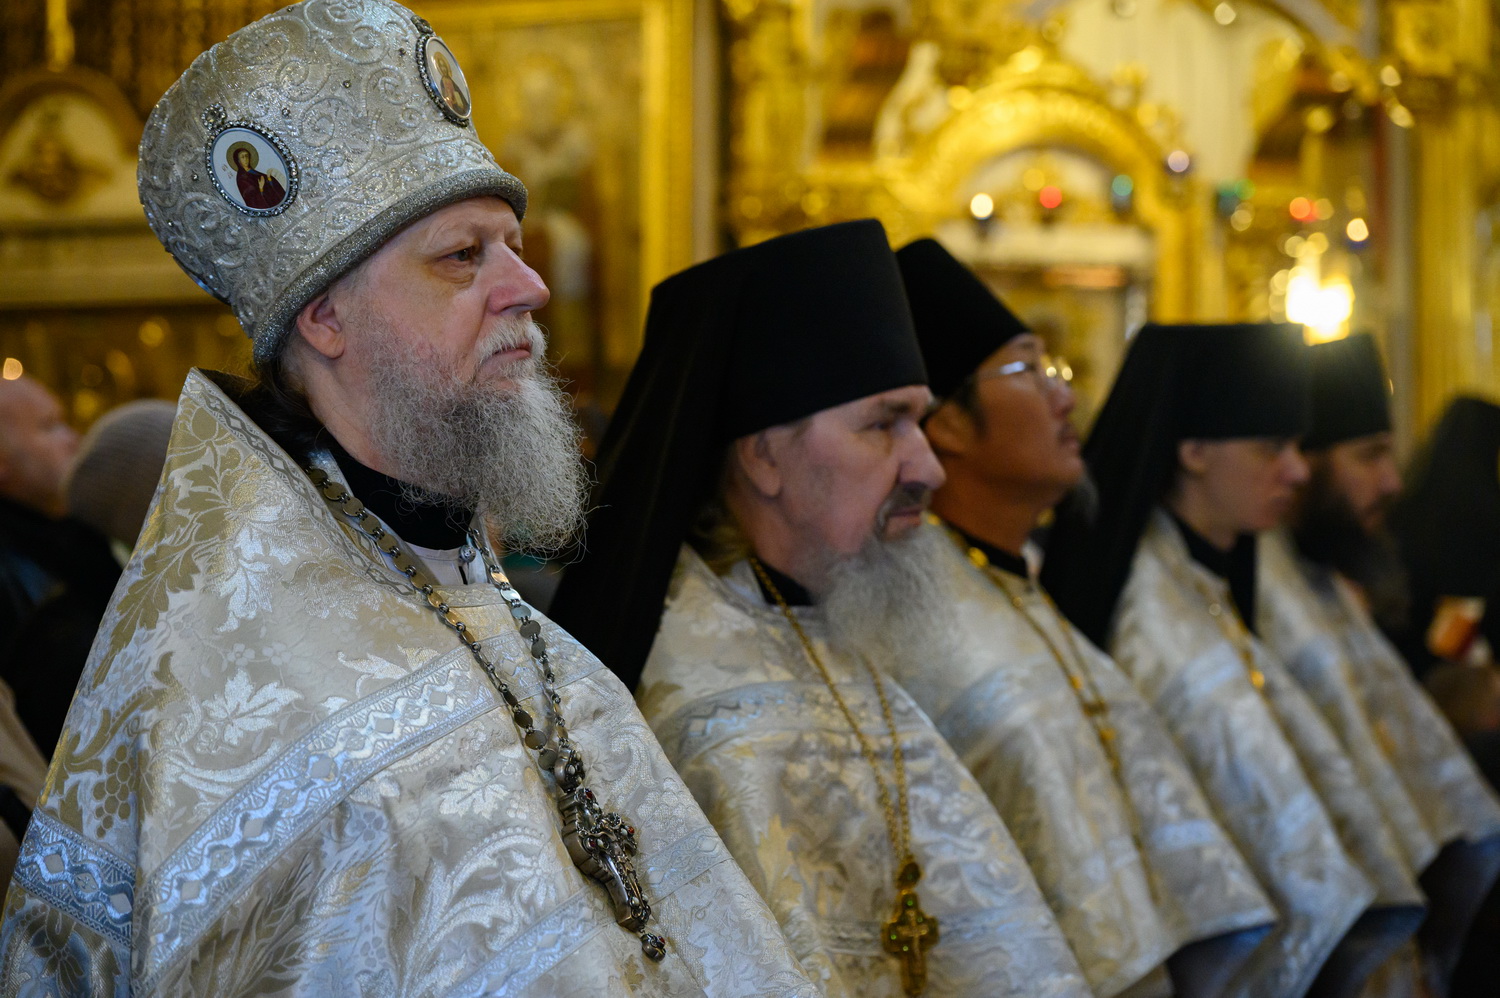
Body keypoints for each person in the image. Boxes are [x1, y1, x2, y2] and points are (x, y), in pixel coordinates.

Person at [0, 3, 820, 994]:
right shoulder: (230, 675)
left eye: (512, 244)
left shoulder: (480, 592)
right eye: (463, 255)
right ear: (326, 318)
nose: (528, 286)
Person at [552, 220, 1092, 998]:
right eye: (884, 424)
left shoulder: (833, 619)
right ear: (764, 456)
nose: (928, 466)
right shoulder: (695, 710)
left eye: (920, 421)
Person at [893, 240, 1275, 998]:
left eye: (1054, 371)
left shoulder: (1023, 587)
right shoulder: (916, 615)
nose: (1065, 398)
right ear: (948, 426)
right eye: (1028, 371)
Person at [1043, 323, 1424, 998]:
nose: (1297, 471)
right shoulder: (1144, 610)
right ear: (1192, 451)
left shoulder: (1210, 580)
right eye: (1270, 448)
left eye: (1298, 447)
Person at [1257, 335, 1500, 992]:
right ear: (1302, 463)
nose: (1393, 482)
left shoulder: (1328, 579)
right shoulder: (1261, 592)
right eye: (1369, 456)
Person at [231, 144, 287, 210]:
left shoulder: (253, 171)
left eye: (247, 156)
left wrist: (269, 179)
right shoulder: (241, 178)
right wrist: (260, 189)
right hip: (265, 205)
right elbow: (250, 199)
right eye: (242, 157)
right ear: (238, 161)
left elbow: (267, 182)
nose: (246, 159)